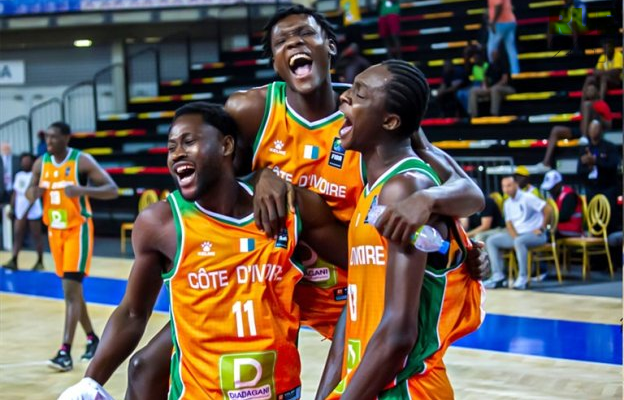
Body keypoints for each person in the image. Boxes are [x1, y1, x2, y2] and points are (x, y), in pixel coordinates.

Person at [123, 7, 487, 398]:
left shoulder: (371, 109)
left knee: (376, 368)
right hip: (273, 270)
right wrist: (262, 175)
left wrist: (436, 212)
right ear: (275, 62)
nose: (294, 42)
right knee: (146, 366)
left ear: (329, 45)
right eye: (281, 41)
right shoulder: (252, 110)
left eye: (304, 33)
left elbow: (467, 192)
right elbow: (218, 178)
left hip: (352, 275)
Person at [59, 102, 350, 399]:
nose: (177, 153)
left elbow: (361, 264)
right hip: (197, 393)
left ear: (226, 145)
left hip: (278, 390)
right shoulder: (161, 224)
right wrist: (89, 382)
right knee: (142, 367)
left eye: (188, 141)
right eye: (171, 147)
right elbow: (133, 312)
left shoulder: (289, 208)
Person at [316, 60, 483, 400]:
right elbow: (357, 305)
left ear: (390, 121)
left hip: (409, 388)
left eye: (359, 94)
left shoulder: (404, 187)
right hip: (370, 382)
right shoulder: (373, 190)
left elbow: (398, 334)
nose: (343, 97)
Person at [26, 121, 118, 372]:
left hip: (78, 230)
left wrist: (81, 190)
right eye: (47, 137)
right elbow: (29, 194)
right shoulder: (40, 163)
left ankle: (64, 352)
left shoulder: (81, 161)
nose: (49, 141)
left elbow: (112, 189)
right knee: (73, 292)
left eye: (54, 137)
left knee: (70, 290)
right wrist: (33, 193)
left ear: (66, 138)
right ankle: (92, 339)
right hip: (55, 232)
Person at [485, 176, 551, 290]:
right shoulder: (507, 203)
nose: (506, 189)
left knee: (519, 242)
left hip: (536, 235)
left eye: (509, 185)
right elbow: (509, 224)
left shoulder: (527, 197)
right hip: (518, 235)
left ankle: (523, 277)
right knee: (491, 241)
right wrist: (515, 237)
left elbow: (548, 209)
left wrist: (542, 228)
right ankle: (498, 276)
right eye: (503, 186)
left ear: (516, 184)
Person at [539, 80, 612, 170]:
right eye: (587, 90)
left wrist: (598, 116)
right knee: (556, 130)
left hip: (593, 133)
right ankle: (546, 163)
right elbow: (584, 90)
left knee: (587, 105)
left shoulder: (602, 104)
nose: (589, 92)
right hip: (581, 130)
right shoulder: (584, 103)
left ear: (597, 91)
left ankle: (584, 137)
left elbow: (609, 125)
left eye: (591, 90)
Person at [2, 153, 44, 271]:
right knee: (17, 235)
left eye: (27, 161)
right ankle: (14, 260)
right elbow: (15, 193)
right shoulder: (19, 175)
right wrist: (12, 208)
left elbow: (34, 196)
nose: (24, 163)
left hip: (33, 210)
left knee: (36, 236)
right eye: (23, 161)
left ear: (32, 162)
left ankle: (40, 261)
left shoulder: (35, 175)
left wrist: (26, 213)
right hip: (20, 210)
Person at [577, 119, 620, 233]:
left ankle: (611, 237)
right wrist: (588, 167)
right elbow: (579, 171)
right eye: (591, 128)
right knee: (593, 220)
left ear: (601, 130)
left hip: (607, 188)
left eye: (596, 128)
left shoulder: (610, 147)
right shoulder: (584, 150)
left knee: (610, 220)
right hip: (591, 188)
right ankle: (593, 235)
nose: (593, 131)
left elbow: (613, 165)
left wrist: (596, 161)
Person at [468, 46, 515, 117]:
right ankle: (473, 115)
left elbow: (504, 80)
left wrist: (493, 87)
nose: (493, 55)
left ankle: (494, 114)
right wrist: (485, 87)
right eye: (492, 54)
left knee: (494, 89)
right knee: (473, 90)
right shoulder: (490, 66)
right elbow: (485, 78)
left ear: (498, 54)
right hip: (491, 88)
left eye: (495, 53)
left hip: (506, 88)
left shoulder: (504, 64)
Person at [540, 170, 583, 238]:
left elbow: (564, 216)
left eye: (552, 187)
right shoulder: (553, 196)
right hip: (557, 228)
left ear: (559, 184)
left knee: (545, 235)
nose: (550, 190)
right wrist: (546, 227)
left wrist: (548, 218)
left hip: (570, 229)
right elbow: (549, 220)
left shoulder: (569, 195)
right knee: (543, 231)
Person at [487, 0, 519, 75]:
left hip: (500, 23)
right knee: (511, 48)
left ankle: (492, 70)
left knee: (492, 47)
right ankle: (515, 71)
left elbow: (498, 6)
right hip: (511, 21)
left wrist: (493, 22)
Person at [457, 50, 488, 114]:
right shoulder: (474, 67)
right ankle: (468, 112)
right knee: (460, 93)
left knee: (470, 93)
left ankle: (472, 113)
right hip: (475, 84)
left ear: (480, 58)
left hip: (483, 84)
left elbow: (486, 79)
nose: (475, 60)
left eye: (477, 58)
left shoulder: (486, 65)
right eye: (474, 58)